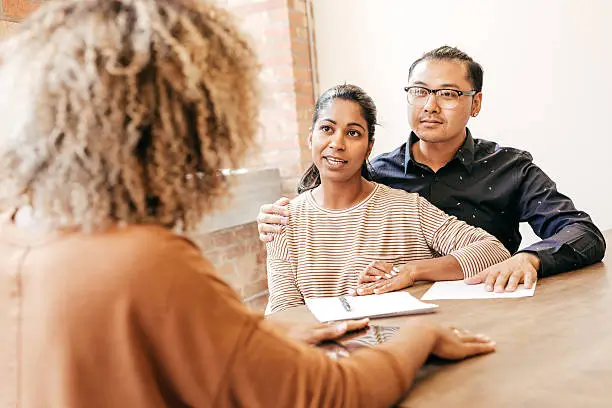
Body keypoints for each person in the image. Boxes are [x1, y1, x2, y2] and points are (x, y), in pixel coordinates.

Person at [0, 1, 497, 407]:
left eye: (354, 133)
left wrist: (264, 344)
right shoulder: (147, 260)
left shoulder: (16, 231)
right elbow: (335, 392)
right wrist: (423, 337)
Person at [258, 46, 605, 294]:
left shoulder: (511, 168)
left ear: (476, 103)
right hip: (402, 322)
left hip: (494, 308)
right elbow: (326, 214)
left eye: (449, 94)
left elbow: (582, 233)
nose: (431, 106)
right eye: (420, 92)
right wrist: (278, 219)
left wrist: (530, 258)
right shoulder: (376, 173)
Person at [265, 84, 510, 314]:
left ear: (369, 146)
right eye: (327, 129)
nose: (337, 143)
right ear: (311, 137)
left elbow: (493, 251)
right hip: (328, 355)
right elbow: (284, 315)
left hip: (406, 350)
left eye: (352, 133)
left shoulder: (407, 208)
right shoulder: (283, 222)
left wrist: (411, 271)